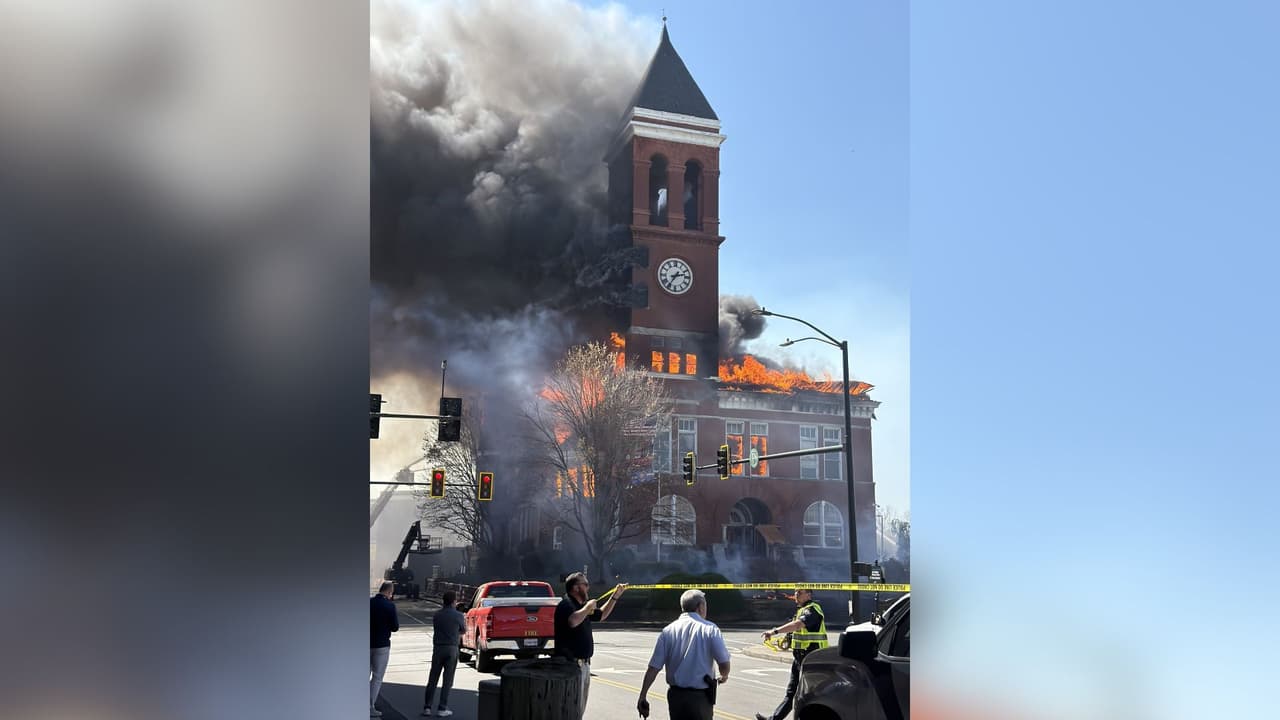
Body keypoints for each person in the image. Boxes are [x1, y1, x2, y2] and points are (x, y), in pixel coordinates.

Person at [636, 589, 731, 720]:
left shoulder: (668, 631)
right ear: (700, 607)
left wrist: (643, 695)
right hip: (700, 698)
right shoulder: (710, 629)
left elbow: (653, 668)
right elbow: (724, 663)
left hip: (676, 697)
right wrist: (724, 675)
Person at [553, 572, 627, 718]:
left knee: (579, 708)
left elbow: (601, 615)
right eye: (585, 584)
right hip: (571, 665)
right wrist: (587, 607)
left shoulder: (581, 606)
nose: (588, 587)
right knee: (571, 708)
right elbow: (573, 621)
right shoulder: (566, 604)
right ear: (576, 588)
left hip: (584, 665)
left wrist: (615, 596)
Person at [755, 588, 827, 720]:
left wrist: (774, 631)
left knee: (810, 695)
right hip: (799, 659)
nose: (796, 595)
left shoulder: (812, 609)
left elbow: (798, 625)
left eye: (799, 592)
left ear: (809, 594)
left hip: (812, 659)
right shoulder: (801, 610)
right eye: (795, 592)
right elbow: (796, 630)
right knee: (791, 692)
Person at [420, 590, 467, 717]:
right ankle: (442, 708)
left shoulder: (437, 615)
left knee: (433, 678)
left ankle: (427, 707)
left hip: (438, 648)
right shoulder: (459, 615)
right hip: (452, 648)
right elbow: (463, 630)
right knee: (447, 680)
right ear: (453, 602)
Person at [370, 581, 400, 718]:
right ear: (389, 592)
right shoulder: (389, 606)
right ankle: (370, 706)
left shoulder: (369, 602)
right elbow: (395, 627)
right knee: (377, 677)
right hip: (382, 645)